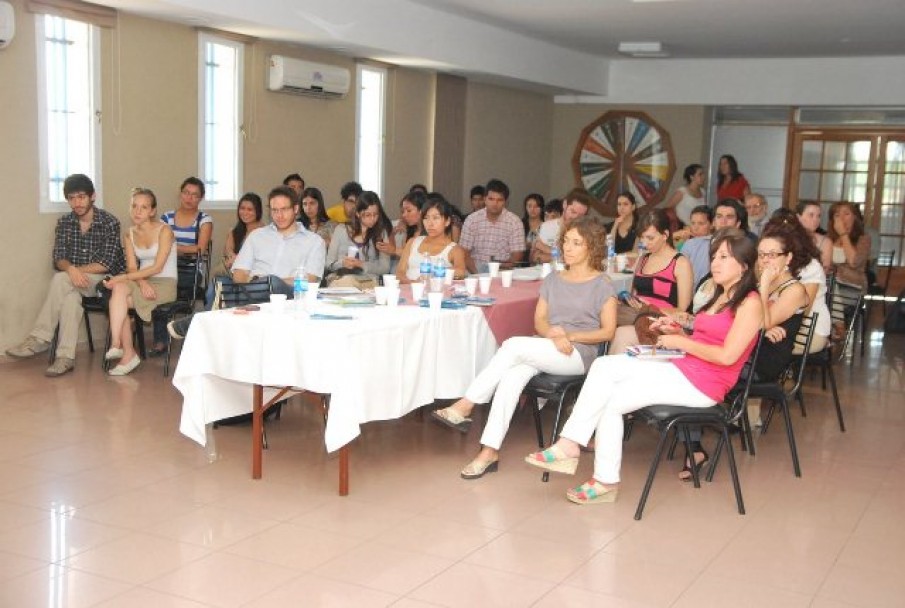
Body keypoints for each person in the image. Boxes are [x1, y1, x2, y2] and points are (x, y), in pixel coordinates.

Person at [524, 230, 763, 505]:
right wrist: (678, 332)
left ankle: (571, 447)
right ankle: (601, 477)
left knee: (608, 382)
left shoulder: (750, 303)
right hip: (685, 369)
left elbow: (727, 356)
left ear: (744, 265)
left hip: (705, 385)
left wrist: (681, 343)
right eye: (714, 257)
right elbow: (705, 339)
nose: (715, 263)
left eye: (724, 257)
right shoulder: (720, 295)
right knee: (606, 377)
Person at [431, 217, 617, 479]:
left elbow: (608, 331)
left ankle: (466, 404)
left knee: (512, 345)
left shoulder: (602, 283)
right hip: (549, 347)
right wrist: (552, 332)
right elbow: (539, 321)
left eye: (577, 243)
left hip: (578, 354)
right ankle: (489, 451)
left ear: (592, 248)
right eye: (566, 241)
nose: (568, 248)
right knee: (511, 376)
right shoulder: (553, 279)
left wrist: (569, 335)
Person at [6, 174, 125, 377]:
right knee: (70, 298)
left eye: (81, 197)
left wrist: (73, 271)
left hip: (106, 282)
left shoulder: (109, 222)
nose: (76, 203)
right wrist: (71, 269)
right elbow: (59, 258)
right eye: (71, 198)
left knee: (61, 279)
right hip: (74, 281)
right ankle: (65, 358)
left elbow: (106, 263)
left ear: (92, 196)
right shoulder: (65, 222)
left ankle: (41, 338)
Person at [168, 186, 326, 339]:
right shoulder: (257, 236)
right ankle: (212, 320)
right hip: (251, 292)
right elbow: (239, 274)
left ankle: (201, 319)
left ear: (296, 209)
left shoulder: (314, 241)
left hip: (289, 295)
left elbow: (309, 280)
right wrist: (259, 283)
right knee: (219, 283)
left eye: (284, 209)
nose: (279, 215)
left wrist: (267, 281)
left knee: (272, 281)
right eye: (275, 210)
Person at [102, 188, 177, 376]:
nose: (137, 211)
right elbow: (133, 268)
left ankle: (124, 352)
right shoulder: (129, 233)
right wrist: (142, 282)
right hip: (142, 279)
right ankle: (118, 346)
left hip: (165, 283)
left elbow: (158, 267)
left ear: (152, 211)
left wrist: (124, 278)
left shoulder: (164, 231)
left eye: (143, 207)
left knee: (117, 299)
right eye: (134, 206)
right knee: (118, 292)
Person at [609, 210, 693, 354]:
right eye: (642, 238)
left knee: (620, 332)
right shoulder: (643, 259)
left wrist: (649, 307)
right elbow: (633, 294)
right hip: (636, 314)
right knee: (604, 311)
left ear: (665, 235)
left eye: (650, 238)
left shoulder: (680, 263)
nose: (645, 243)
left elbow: (682, 311)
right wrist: (627, 300)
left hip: (660, 320)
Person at [151, 177, 213, 356]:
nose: (189, 198)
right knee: (157, 283)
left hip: (191, 271)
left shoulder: (204, 219)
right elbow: (158, 245)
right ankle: (161, 340)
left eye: (195, 195)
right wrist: (181, 249)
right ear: (180, 193)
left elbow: (199, 249)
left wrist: (171, 248)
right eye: (186, 193)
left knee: (168, 285)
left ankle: (180, 330)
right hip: (166, 268)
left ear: (200, 198)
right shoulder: (166, 217)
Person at [324, 191, 392, 284]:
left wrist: (362, 264)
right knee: (346, 282)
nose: (372, 219)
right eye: (368, 215)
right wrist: (342, 263)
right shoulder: (341, 230)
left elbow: (385, 267)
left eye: (375, 215)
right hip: (341, 280)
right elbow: (328, 263)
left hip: (368, 282)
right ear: (358, 213)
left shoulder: (381, 233)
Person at [459, 179, 525, 272]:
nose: (495, 204)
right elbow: (463, 252)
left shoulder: (514, 222)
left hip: (503, 271)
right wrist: (477, 274)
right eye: (491, 199)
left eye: (499, 200)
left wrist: (498, 270)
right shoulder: (471, 220)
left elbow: (517, 255)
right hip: (474, 269)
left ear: (506, 202)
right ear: (485, 199)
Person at [396, 197, 467, 283]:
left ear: (447, 221)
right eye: (426, 218)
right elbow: (400, 272)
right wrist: (414, 284)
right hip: (409, 290)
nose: (430, 223)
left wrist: (434, 273)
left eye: (436, 218)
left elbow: (460, 272)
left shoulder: (454, 249)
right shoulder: (413, 242)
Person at [531, 189, 592, 264]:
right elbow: (535, 257)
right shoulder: (546, 227)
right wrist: (561, 255)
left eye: (580, 216)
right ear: (565, 205)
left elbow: (584, 259)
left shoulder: (587, 232)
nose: (575, 217)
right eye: (573, 212)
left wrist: (547, 250)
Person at [828, 201, 871, 292]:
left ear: (854, 217)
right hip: (829, 286)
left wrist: (843, 234)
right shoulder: (828, 239)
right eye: (837, 215)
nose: (842, 218)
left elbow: (853, 262)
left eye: (846, 214)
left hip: (852, 288)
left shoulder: (863, 239)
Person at [377, 190, 426, 269]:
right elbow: (403, 257)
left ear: (421, 211)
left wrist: (395, 250)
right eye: (403, 211)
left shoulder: (430, 232)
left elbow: (420, 257)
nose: (404, 215)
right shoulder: (410, 231)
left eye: (409, 211)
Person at [221, 193, 264, 274]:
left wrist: (238, 260)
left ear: (258, 211)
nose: (245, 212)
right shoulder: (234, 231)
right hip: (232, 272)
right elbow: (227, 250)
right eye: (242, 208)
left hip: (251, 275)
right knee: (217, 282)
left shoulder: (264, 232)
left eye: (250, 209)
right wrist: (232, 256)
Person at [677, 205, 714, 288]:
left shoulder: (715, 242)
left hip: (706, 288)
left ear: (712, 224)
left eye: (701, 223)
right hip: (687, 287)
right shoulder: (688, 243)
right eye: (693, 223)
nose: (696, 227)